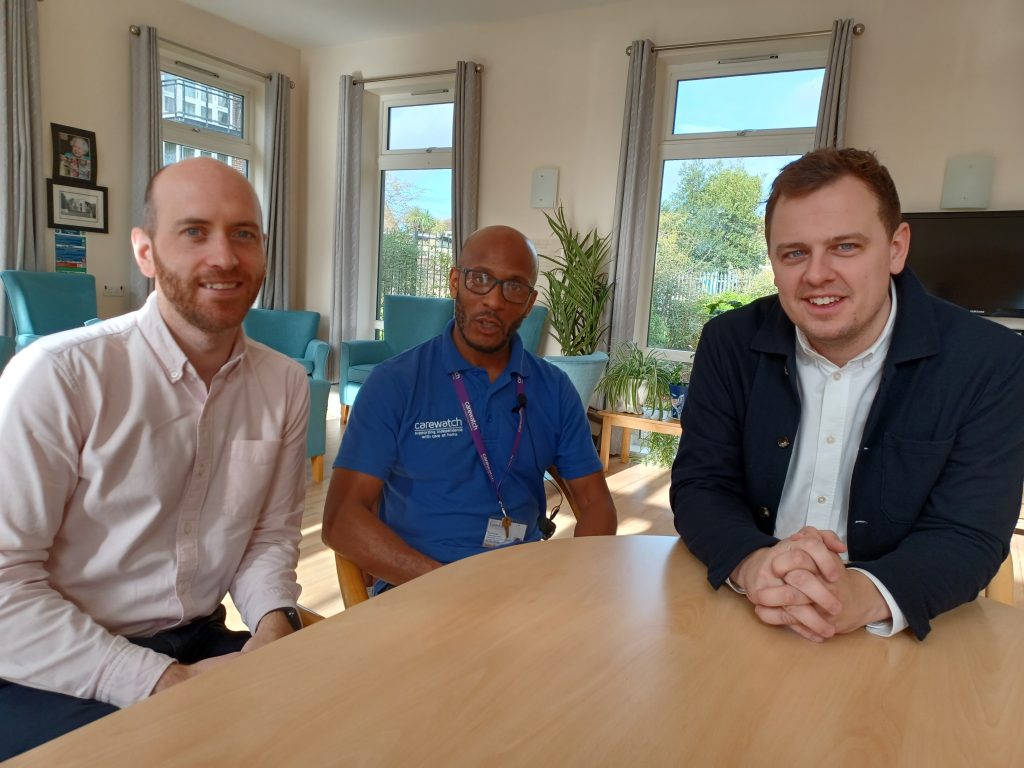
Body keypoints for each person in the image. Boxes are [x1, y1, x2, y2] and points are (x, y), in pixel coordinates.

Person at [0, 158, 310, 759]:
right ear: (145, 253)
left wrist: (274, 625)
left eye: (243, 233)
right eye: (194, 232)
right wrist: (161, 683)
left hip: (200, 640)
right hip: (50, 665)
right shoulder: (59, 378)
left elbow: (268, 537)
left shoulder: (285, 384)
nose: (224, 257)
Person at [671, 148, 1024, 643]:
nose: (817, 275)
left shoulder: (990, 361)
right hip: (748, 610)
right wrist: (753, 564)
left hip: (896, 626)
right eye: (794, 253)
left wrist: (860, 593)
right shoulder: (728, 342)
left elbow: (969, 532)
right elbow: (701, 485)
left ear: (897, 247)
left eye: (845, 247)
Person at [322, 225, 617, 591]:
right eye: (480, 279)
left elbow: (596, 504)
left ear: (528, 302)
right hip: (418, 591)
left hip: (521, 589)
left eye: (513, 287)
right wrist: (448, 587)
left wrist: (575, 585)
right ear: (455, 282)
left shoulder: (553, 389)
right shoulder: (395, 383)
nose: (494, 301)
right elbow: (340, 519)